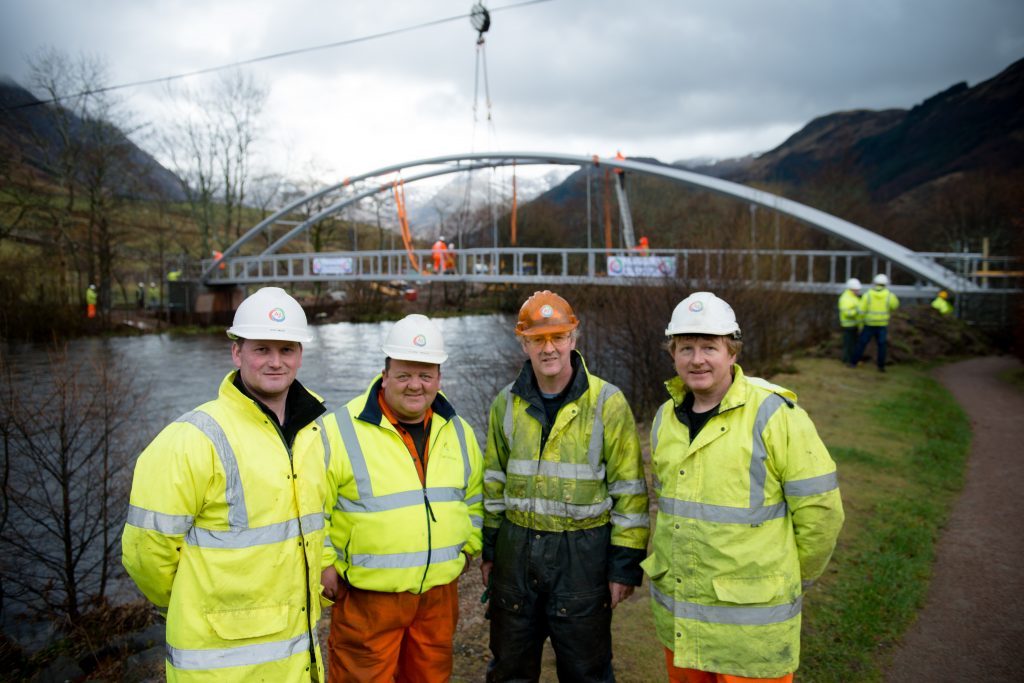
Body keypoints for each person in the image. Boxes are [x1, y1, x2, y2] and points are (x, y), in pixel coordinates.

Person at [121, 287, 329, 681]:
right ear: (237, 353)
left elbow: (317, 525)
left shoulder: (313, 432)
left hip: (296, 658)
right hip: (218, 664)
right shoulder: (192, 438)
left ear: (300, 355)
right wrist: (193, 602)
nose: (275, 361)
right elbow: (145, 553)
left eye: (286, 350)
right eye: (261, 349)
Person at [645, 291, 844, 682]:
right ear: (672, 354)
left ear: (732, 353)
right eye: (686, 347)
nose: (697, 359)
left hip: (752, 630)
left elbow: (821, 512)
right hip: (683, 619)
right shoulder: (665, 418)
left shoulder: (775, 414)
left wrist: (789, 577)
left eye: (709, 347)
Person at [482, 290, 650, 682]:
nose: (549, 348)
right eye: (538, 339)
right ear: (523, 343)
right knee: (509, 670)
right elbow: (493, 483)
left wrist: (624, 567)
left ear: (574, 339)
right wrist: (490, 549)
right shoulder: (505, 404)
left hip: (583, 557)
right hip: (516, 552)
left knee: (586, 671)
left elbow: (629, 489)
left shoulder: (607, 402)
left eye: (558, 336)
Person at [320, 313, 484, 682]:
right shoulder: (338, 430)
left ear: (439, 378)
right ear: (385, 374)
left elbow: (475, 497)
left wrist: (469, 545)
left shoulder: (458, 430)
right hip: (368, 598)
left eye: (425, 375)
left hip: (438, 598)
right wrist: (324, 563)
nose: (415, 386)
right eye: (404, 375)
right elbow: (314, 507)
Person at [850, 273, 900, 372]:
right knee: (882, 346)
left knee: (861, 344)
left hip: (869, 324)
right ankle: (881, 366)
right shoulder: (890, 296)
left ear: (874, 283)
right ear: (885, 284)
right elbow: (895, 306)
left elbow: (860, 310)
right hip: (882, 325)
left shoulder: (867, 295)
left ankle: (853, 363)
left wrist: (860, 321)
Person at [837, 277, 862, 365]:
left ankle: (849, 359)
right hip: (848, 325)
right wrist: (857, 311)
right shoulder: (846, 298)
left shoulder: (853, 297)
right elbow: (847, 313)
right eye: (856, 290)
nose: (858, 291)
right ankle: (847, 360)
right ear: (851, 289)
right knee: (849, 344)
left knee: (852, 343)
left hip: (854, 324)